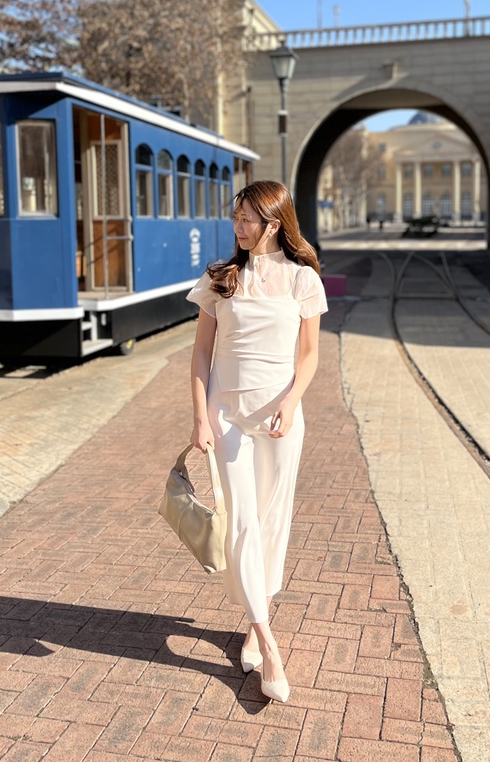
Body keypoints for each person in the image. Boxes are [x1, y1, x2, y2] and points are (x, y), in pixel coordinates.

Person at [187, 180, 327, 703]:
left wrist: (291, 404)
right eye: (236, 217)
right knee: (241, 522)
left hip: (281, 419)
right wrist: (200, 417)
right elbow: (201, 354)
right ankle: (269, 644)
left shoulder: (302, 281)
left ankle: (253, 619)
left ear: (273, 224)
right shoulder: (220, 279)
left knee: (272, 522)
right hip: (226, 418)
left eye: (247, 219)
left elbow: (309, 355)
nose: (237, 227)